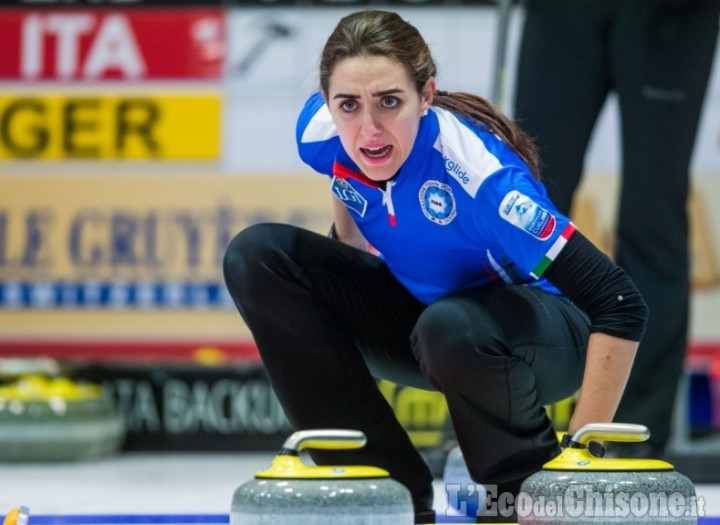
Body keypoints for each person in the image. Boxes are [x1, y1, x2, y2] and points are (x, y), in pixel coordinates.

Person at [223, 9, 647, 523]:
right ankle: (384, 486)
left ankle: (517, 491)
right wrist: (348, 265)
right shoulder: (320, 132)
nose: (369, 129)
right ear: (328, 104)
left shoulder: (483, 180)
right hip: (428, 324)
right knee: (256, 257)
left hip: (540, 339)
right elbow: (345, 178)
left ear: (426, 95)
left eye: (390, 102)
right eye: (349, 106)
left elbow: (620, 304)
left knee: (450, 324)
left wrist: (581, 459)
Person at [513, 0, 720, 458]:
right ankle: (504, 417)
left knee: (654, 216)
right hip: (564, 12)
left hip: (674, 16)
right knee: (522, 207)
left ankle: (631, 437)